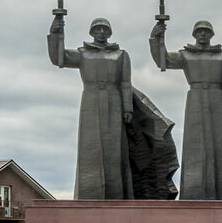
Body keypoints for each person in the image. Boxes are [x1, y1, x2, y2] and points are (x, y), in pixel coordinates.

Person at [49, 16, 179, 200]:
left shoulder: (120, 55)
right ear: (92, 32)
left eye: (104, 29)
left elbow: (126, 83)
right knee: (90, 148)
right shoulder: (83, 53)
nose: (101, 32)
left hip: (114, 101)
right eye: (97, 29)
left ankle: (118, 193)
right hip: (91, 100)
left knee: (114, 149)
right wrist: (56, 32)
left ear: (109, 32)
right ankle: (89, 193)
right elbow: (58, 58)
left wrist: (128, 108)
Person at [151, 20, 222, 199]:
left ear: (212, 34)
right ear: (194, 34)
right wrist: (156, 37)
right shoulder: (186, 55)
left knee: (219, 145)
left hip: (217, 99)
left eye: (206, 32)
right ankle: (193, 191)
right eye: (199, 32)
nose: (203, 35)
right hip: (195, 99)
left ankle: (221, 192)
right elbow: (164, 59)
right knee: (195, 145)